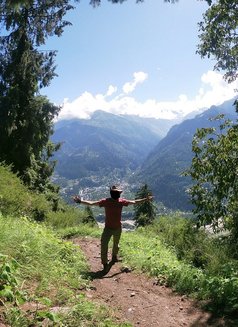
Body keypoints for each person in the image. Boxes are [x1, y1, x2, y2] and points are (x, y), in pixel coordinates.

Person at [73, 185, 153, 273]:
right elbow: (134, 202)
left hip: (113, 228)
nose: (118, 194)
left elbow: (92, 203)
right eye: (118, 193)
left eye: (118, 193)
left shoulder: (110, 201)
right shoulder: (115, 201)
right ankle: (106, 262)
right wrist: (80, 201)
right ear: (114, 193)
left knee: (110, 244)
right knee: (109, 244)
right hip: (113, 228)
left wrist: (80, 201)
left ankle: (112, 259)